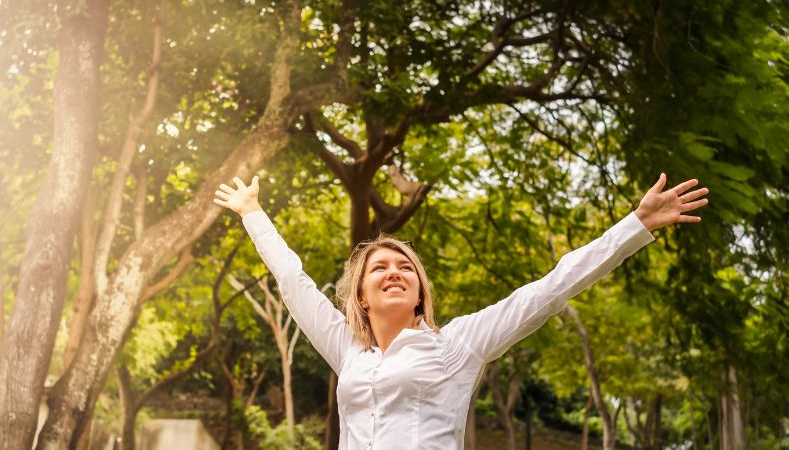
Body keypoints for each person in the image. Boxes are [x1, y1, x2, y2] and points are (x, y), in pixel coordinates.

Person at [213, 173, 708, 449]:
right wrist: (253, 213)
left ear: (420, 292)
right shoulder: (349, 351)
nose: (394, 272)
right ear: (360, 296)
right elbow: (293, 282)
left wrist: (634, 226)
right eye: (379, 267)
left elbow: (549, 289)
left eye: (405, 267)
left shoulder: (455, 346)